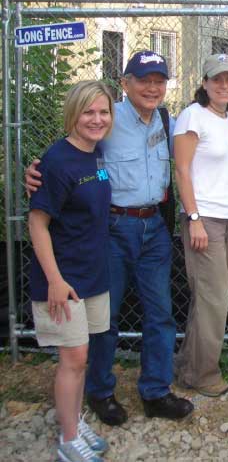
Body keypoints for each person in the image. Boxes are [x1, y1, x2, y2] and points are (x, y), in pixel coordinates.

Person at [25, 51, 193, 425]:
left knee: (160, 314)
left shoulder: (168, 120)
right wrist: (35, 170)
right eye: (143, 79)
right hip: (113, 229)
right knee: (106, 317)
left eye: (159, 80)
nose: (152, 88)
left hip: (155, 230)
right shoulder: (108, 119)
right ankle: (100, 392)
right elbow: (69, 153)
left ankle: (156, 391)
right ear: (126, 83)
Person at [28, 81, 114, 462]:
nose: (97, 119)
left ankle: (73, 419)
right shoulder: (58, 161)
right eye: (88, 112)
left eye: (103, 112)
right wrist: (55, 280)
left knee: (84, 354)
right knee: (73, 358)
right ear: (73, 114)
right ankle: (66, 441)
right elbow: (37, 223)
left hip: (92, 272)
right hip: (63, 278)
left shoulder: (95, 155)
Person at [173, 54, 228, 397]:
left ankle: (188, 369)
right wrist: (194, 219)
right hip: (205, 218)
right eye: (217, 79)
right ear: (204, 83)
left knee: (209, 300)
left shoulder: (222, 119)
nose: (224, 85)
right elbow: (182, 170)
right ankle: (204, 374)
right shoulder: (193, 116)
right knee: (215, 300)